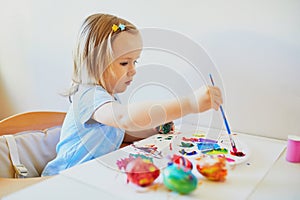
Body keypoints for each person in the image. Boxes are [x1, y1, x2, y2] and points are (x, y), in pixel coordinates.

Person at [42, 13, 223, 176]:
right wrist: (189, 104)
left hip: (90, 178)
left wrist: (153, 130)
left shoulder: (109, 98)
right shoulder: (89, 96)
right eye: (124, 63)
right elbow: (124, 118)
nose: (133, 70)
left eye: (135, 61)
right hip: (62, 180)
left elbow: (120, 131)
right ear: (96, 63)